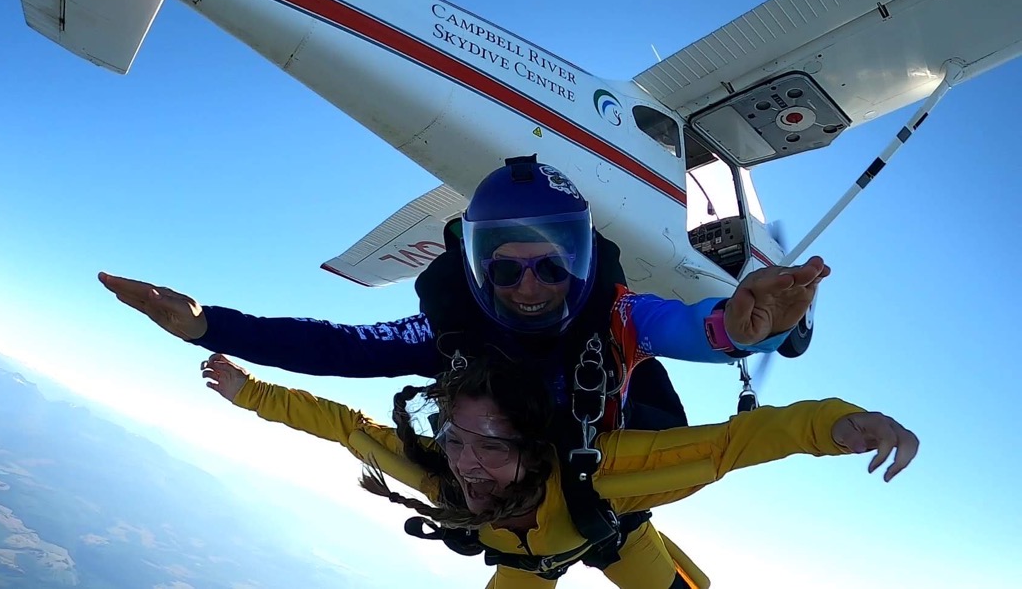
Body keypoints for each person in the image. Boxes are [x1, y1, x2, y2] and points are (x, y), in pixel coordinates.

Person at [99, 155, 828, 582]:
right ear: (475, 269)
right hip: (518, 535)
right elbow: (335, 349)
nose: (531, 286)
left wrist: (740, 330)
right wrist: (206, 327)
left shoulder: (618, 315)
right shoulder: (447, 333)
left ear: (581, 259)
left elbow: (689, 328)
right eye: (504, 270)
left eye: (553, 264)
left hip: (609, 510)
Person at [199, 351, 918, 589]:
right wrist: (248, 391)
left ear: (535, 446)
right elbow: (343, 428)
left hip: (613, 535)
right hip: (523, 566)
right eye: (456, 438)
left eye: (493, 446)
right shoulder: (440, 475)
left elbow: (730, 444)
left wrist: (841, 426)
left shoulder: (607, 474)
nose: (469, 465)